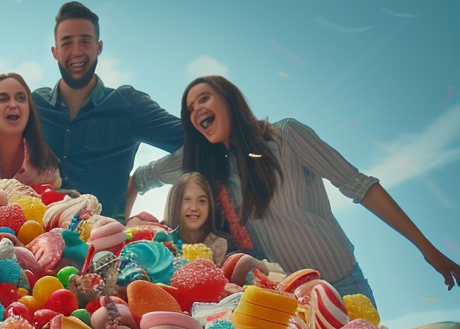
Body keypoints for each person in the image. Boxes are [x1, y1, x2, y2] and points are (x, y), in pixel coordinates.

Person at [128, 76, 460, 301]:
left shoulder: (287, 136)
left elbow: (360, 186)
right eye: (190, 108)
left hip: (344, 286)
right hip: (290, 300)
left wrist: (426, 248)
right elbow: (139, 179)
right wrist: (116, 228)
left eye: (204, 98)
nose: (196, 109)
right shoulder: (208, 161)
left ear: (229, 100)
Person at [30, 1, 183, 219]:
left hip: (103, 244)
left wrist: (148, 176)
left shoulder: (128, 104)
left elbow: (200, 142)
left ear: (98, 47)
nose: (76, 51)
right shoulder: (35, 104)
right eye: (66, 43)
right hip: (33, 237)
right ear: (55, 52)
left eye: (85, 41)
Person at [162, 171, 229, 266]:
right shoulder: (160, 239)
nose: (194, 208)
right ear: (175, 203)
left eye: (202, 201)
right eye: (187, 200)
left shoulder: (218, 246)